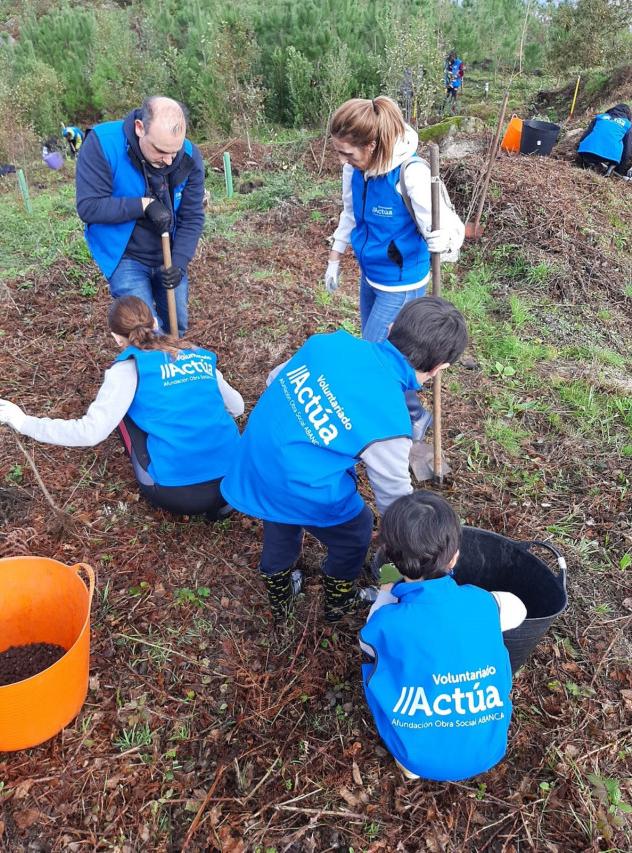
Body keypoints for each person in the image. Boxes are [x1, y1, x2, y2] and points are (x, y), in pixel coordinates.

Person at [220, 297, 468, 622]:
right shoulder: (389, 421)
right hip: (296, 483)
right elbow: (394, 503)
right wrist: (408, 553)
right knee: (357, 529)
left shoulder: (329, 342)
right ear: (438, 370)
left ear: (391, 328)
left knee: (280, 518)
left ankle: (280, 596)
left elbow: (273, 379)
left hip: (256, 461)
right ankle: (339, 600)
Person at [0, 296, 243, 520]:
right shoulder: (198, 355)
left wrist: (23, 421)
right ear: (155, 322)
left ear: (116, 337)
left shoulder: (128, 369)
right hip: (238, 478)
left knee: (124, 413)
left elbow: (90, 433)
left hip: (179, 494)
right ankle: (221, 505)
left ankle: (167, 492)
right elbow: (238, 407)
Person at [359, 491, 526, 782]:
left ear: (387, 553)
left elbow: (368, 647)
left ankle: (411, 769)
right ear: (456, 556)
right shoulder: (483, 603)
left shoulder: (383, 621)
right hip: (487, 748)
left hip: (417, 756)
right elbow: (519, 610)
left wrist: (386, 594)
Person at [324, 95, 464, 439]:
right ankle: (413, 413)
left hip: (401, 283)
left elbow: (451, 228)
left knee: (376, 360)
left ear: (372, 144)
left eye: (347, 153)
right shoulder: (354, 170)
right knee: (384, 356)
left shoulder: (411, 173)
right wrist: (335, 257)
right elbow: (351, 214)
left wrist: (445, 243)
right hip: (371, 275)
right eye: (339, 151)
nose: (341, 160)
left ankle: (394, 423)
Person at [76, 96, 206, 337]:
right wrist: (143, 206)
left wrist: (179, 261)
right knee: (145, 333)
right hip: (126, 255)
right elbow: (89, 207)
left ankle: (173, 368)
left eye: (173, 152)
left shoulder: (188, 155)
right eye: (160, 151)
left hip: (168, 253)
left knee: (177, 325)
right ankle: (149, 370)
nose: (168, 160)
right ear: (140, 127)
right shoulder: (103, 144)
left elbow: (192, 216)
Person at [577, 103, 632, 177]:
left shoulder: (600, 117)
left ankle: (590, 163)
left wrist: (580, 150)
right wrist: (619, 170)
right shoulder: (627, 124)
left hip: (587, 151)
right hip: (611, 156)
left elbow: (585, 136)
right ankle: (610, 169)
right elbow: (626, 150)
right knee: (620, 142)